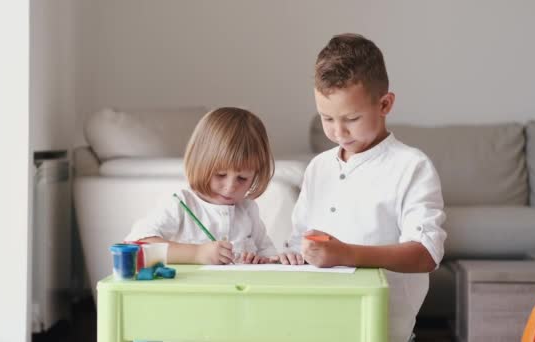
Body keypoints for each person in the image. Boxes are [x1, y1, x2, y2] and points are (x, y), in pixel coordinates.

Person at [278, 33, 447, 342]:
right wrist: (291, 254)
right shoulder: (318, 168)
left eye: (352, 118)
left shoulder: (411, 166)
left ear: (385, 104)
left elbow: (426, 253)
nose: (338, 131)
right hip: (316, 324)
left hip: (381, 329)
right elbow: (298, 240)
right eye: (326, 118)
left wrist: (346, 254)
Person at [125, 107, 277, 265]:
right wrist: (196, 254)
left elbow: (268, 254)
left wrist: (262, 261)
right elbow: (135, 247)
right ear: (199, 163)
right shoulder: (180, 203)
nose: (230, 187)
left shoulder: (248, 209)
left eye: (242, 178)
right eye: (221, 175)